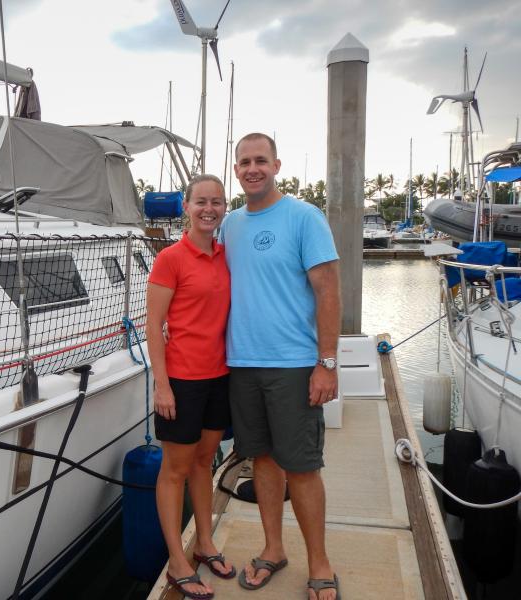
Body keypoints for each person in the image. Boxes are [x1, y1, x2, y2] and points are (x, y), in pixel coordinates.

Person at [220, 133, 342, 600]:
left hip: (293, 365)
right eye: (245, 162)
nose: (253, 169)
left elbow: (328, 291)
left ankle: (320, 563)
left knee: (303, 467)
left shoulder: (303, 217)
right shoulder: (230, 224)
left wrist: (326, 364)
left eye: (261, 161)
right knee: (263, 461)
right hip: (242, 364)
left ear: (276, 166)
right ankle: (273, 549)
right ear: (236, 169)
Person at [146, 174, 235, 600]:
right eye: (201, 201)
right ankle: (177, 562)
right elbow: (152, 327)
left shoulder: (224, 255)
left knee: (205, 463)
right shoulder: (171, 258)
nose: (209, 209)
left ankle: (204, 543)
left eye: (216, 202)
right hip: (181, 381)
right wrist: (161, 386)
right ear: (187, 206)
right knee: (175, 470)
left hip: (220, 377)